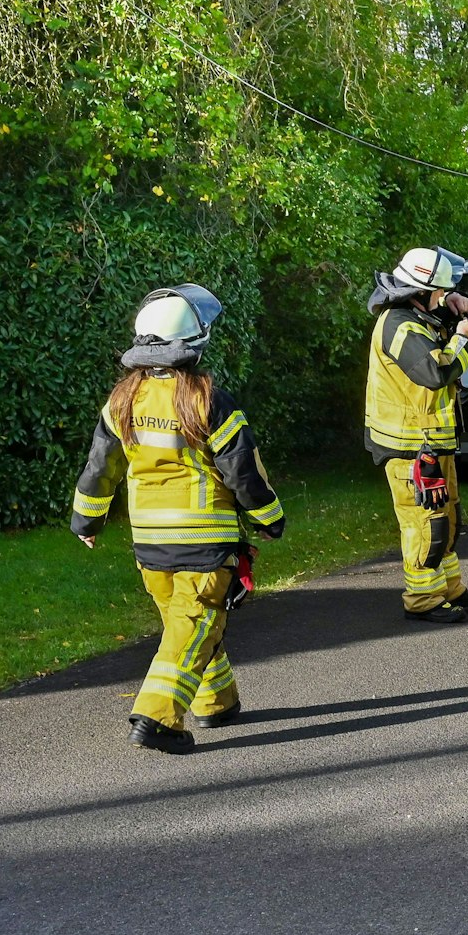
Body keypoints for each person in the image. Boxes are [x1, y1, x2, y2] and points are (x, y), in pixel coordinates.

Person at [71, 285, 286, 754]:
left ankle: (216, 702)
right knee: (196, 623)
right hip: (204, 542)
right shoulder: (208, 399)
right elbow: (244, 471)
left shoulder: (122, 401)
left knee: (188, 622)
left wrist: (86, 522)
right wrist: (270, 519)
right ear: (194, 343)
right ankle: (157, 717)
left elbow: (99, 468)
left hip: (150, 544)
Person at [364, 246, 468, 623]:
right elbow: (436, 372)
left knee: (447, 517)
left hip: (431, 441)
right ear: (418, 291)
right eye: (437, 292)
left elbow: (437, 345)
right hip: (409, 447)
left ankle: (448, 589)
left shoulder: (416, 314)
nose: (440, 298)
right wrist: (464, 338)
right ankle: (422, 600)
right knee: (424, 524)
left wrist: (451, 302)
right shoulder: (399, 325)